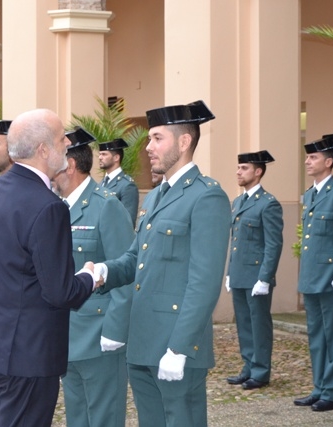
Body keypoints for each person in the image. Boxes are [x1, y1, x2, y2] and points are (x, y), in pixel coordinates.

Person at [94, 100, 231, 427]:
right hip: (143, 339)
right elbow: (135, 260)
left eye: (157, 138)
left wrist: (181, 347)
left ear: (184, 142)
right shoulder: (156, 195)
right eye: (149, 139)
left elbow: (204, 282)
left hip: (175, 344)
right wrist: (103, 271)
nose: (148, 147)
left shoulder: (206, 196)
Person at [0, 108, 98, 427]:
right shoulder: (48, 206)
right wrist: (91, 277)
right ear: (43, 150)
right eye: (61, 137)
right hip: (26, 354)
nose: (67, 143)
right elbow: (60, 291)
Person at [55, 127, 134, 427]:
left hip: (99, 335)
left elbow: (125, 270)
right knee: (77, 416)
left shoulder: (106, 205)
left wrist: (115, 331)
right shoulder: (59, 208)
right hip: (66, 333)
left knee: (103, 418)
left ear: (70, 165)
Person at [293, 134, 333, 412]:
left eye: (313, 157)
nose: (307, 161)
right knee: (316, 336)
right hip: (313, 278)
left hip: (332, 280)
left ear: (328, 161)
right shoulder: (312, 194)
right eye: (307, 157)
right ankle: (319, 387)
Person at [225, 150, 283, 390]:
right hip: (239, 274)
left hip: (257, 276)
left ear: (258, 171)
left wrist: (265, 277)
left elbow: (273, 244)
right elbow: (236, 241)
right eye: (239, 168)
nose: (239, 172)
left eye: (244, 168)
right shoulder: (238, 202)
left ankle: (260, 371)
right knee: (244, 325)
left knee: (259, 325)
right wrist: (230, 271)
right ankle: (248, 367)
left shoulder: (268, 204)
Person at [98, 138, 139, 226]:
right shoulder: (101, 183)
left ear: (116, 157)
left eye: (104, 154)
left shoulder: (127, 185)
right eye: (100, 154)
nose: (100, 157)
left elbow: (128, 222)